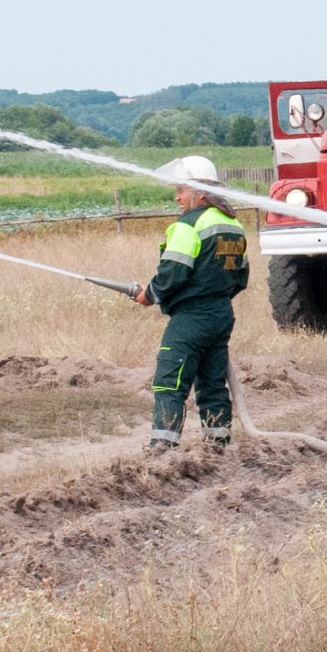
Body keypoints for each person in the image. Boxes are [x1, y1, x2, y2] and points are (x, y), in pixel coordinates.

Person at [135, 155, 248, 453]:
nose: (177, 197)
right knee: (212, 382)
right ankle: (217, 445)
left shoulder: (188, 225)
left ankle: (163, 446)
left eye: (181, 191)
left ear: (198, 192)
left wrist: (149, 294)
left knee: (169, 380)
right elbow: (241, 276)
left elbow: (174, 272)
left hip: (191, 318)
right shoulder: (233, 225)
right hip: (221, 315)